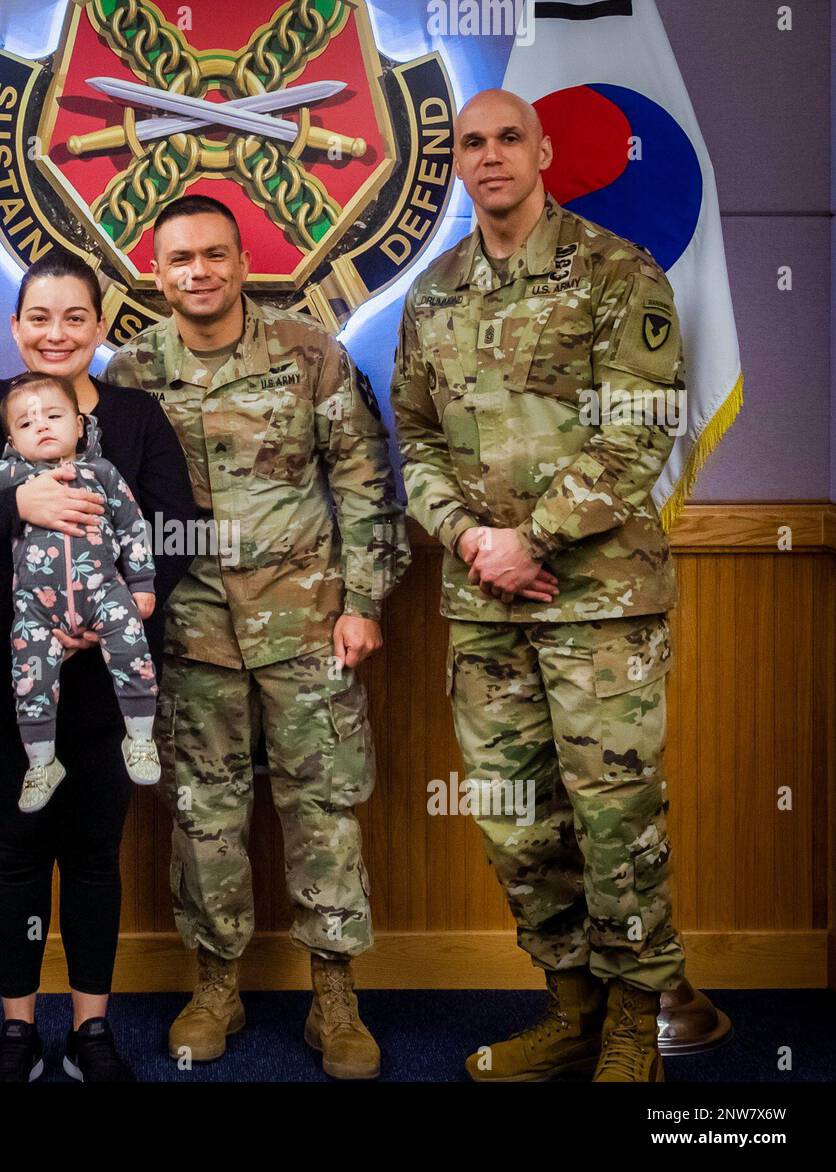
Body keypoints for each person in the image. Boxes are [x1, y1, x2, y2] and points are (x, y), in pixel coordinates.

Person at [391, 88, 687, 1083]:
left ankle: (633, 1030)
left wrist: (533, 540)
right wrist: (470, 535)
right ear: (457, 163)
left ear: (543, 149)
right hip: (483, 604)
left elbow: (637, 429)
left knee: (613, 820)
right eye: (470, 143)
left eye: (506, 137)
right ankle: (570, 1007)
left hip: (598, 601)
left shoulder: (615, 272)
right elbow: (416, 441)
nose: (489, 156)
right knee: (516, 823)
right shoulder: (431, 294)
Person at [105, 195, 408, 1080]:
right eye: (179, 260)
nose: (197, 272)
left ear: (243, 263)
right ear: (154, 273)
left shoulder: (308, 355)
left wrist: (365, 602)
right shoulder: (130, 374)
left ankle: (334, 995)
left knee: (324, 810)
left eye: (213, 255)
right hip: (191, 632)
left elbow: (363, 481)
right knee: (205, 813)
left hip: (310, 625)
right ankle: (216, 985)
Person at [0, 253, 196, 1082]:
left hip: (111, 670)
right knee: (16, 845)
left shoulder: (138, 415)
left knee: (92, 849)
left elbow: (176, 527)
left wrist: (117, 604)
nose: (55, 333)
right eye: (39, 317)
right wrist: (20, 504)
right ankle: (17, 1030)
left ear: (98, 328)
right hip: (1, 668)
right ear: (16, 327)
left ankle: (90, 1030)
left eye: (74, 317)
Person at [0, 372, 161, 811]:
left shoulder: (103, 474)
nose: (42, 426)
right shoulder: (9, 473)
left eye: (53, 416)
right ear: (13, 442)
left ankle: (140, 737)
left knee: (133, 650)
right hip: (36, 607)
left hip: (105, 593)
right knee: (29, 678)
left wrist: (143, 582)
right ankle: (41, 763)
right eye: (27, 423)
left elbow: (133, 528)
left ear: (80, 424)